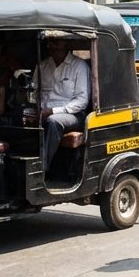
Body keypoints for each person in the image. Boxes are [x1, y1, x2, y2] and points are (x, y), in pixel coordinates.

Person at [34, 37, 90, 174]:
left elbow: (82, 101)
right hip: (44, 111)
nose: (52, 46)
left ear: (67, 44)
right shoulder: (42, 66)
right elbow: (35, 93)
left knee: (53, 122)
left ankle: (42, 169)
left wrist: (53, 111)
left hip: (72, 114)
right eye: (50, 42)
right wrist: (35, 110)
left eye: (56, 42)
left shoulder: (80, 66)